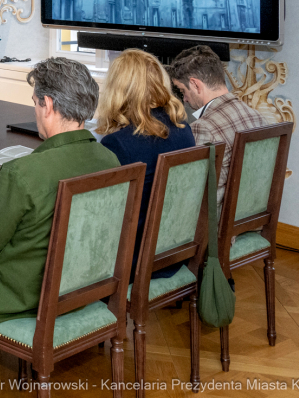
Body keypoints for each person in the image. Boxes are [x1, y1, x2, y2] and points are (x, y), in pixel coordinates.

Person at [0, 57, 119, 325]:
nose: (35, 111)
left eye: (35, 103)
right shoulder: (111, 161)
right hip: (83, 288)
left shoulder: (21, 173)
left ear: (47, 105)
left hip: (16, 300)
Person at [96, 49, 195, 275]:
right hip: (174, 252)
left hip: (134, 261)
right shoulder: (184, 130)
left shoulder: (118, 144)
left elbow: (107, 214)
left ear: (118, 89)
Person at [168, 45, 267, 210]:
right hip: (251, 216)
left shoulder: (204, 128)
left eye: (182, 90)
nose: (184, 99)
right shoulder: (256, 116)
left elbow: (192, 196)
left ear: (196, 85)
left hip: (216, 228)